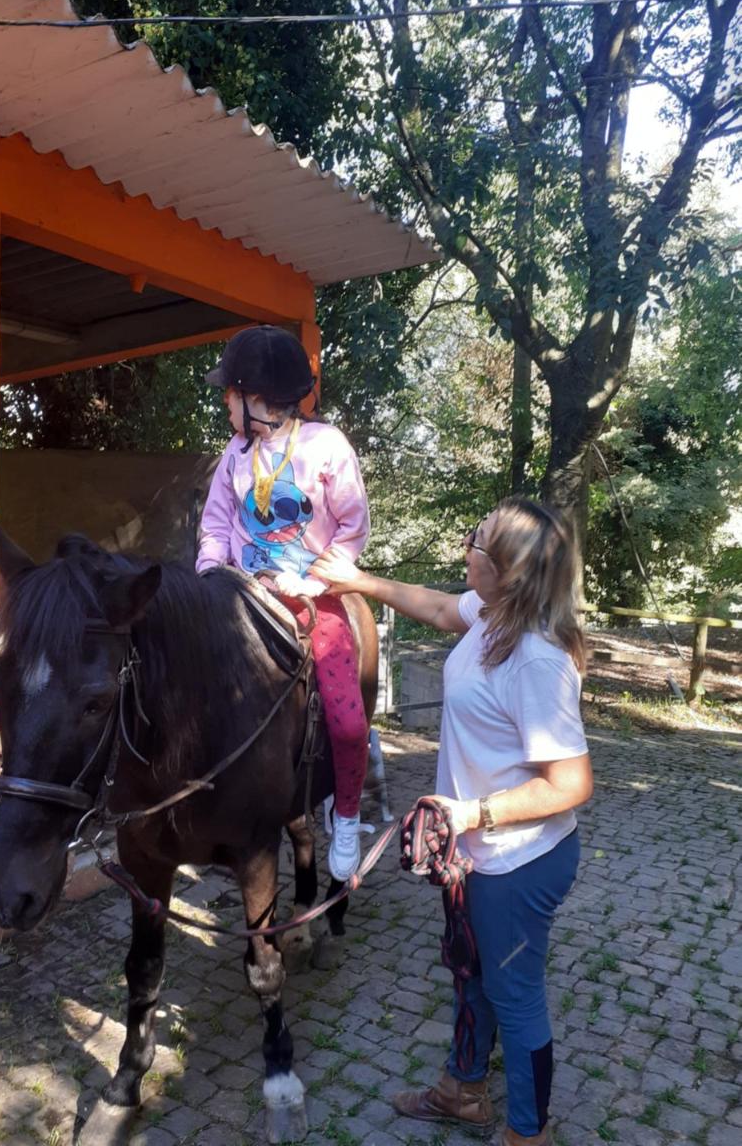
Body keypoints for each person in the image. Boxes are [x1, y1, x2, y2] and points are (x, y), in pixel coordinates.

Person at [309, 498, 594, 1146]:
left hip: (516, 862)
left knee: (514, 994)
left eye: (478, 540)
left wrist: (472, 811)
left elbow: (572, 784)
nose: (466, 545)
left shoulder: (537, 657)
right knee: (470, 971)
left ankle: (529, 1133)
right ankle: (463, 1090)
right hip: (473, 854)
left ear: (507, 570)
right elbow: (438, 608)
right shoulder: (489, 617)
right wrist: (355, 580)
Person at [195, 325, 372, 881]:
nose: (226, 402)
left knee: (346, 723)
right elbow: (217, 523)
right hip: (239, 596)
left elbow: (353, 527)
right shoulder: (234, 454)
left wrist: (317, 583)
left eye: (232, 394)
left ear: (260, 401)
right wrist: (209, 574)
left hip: (310, 599)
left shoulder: (328, 447)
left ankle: (345, 815)